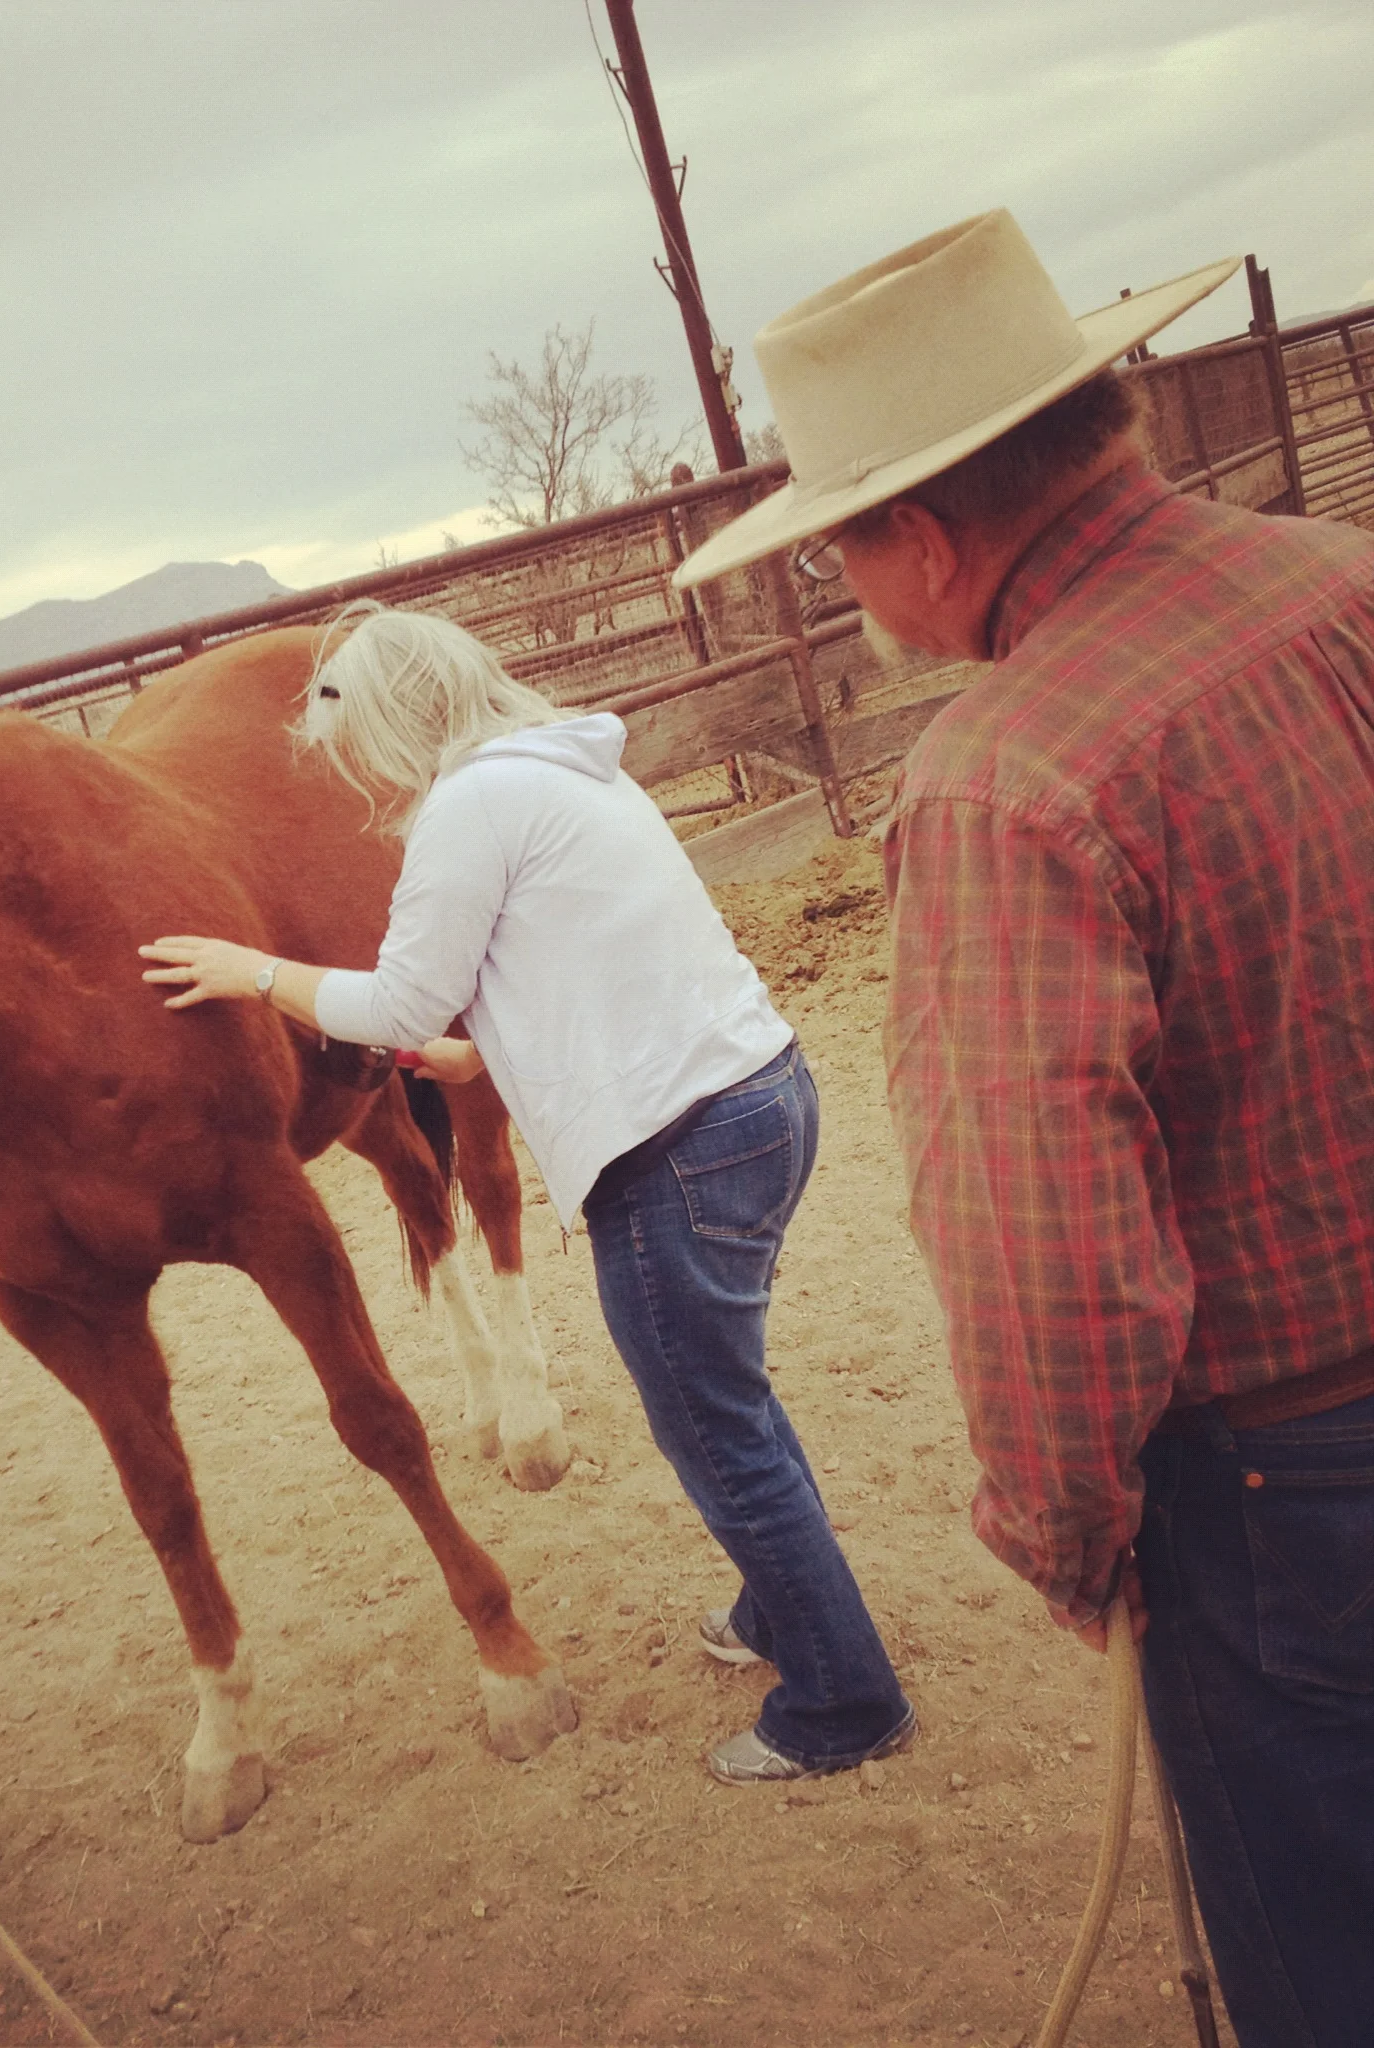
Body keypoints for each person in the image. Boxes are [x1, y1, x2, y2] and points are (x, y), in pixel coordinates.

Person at [674, 208, 1374, 2045]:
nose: (844, 584)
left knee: (1325, 1955)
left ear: (917, 535)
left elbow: (1045, 1258)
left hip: (1290, 1476)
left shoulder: (1005, 776)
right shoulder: (1341, 581)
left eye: (837, 544)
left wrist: (1065, 1527)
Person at [138, 601, 914, 1785]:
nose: (358, 779)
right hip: (761, 1096)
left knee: (712, 1429)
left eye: (355, 749)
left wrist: (254, 970)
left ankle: (843, 1700)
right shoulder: (569, 771)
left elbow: (398, 1000)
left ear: (392, 721)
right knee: (732, 1402)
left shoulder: (469, 805)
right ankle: (778, 1609)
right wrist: (478, 1054)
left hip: (673, 1149)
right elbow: (583, 954)